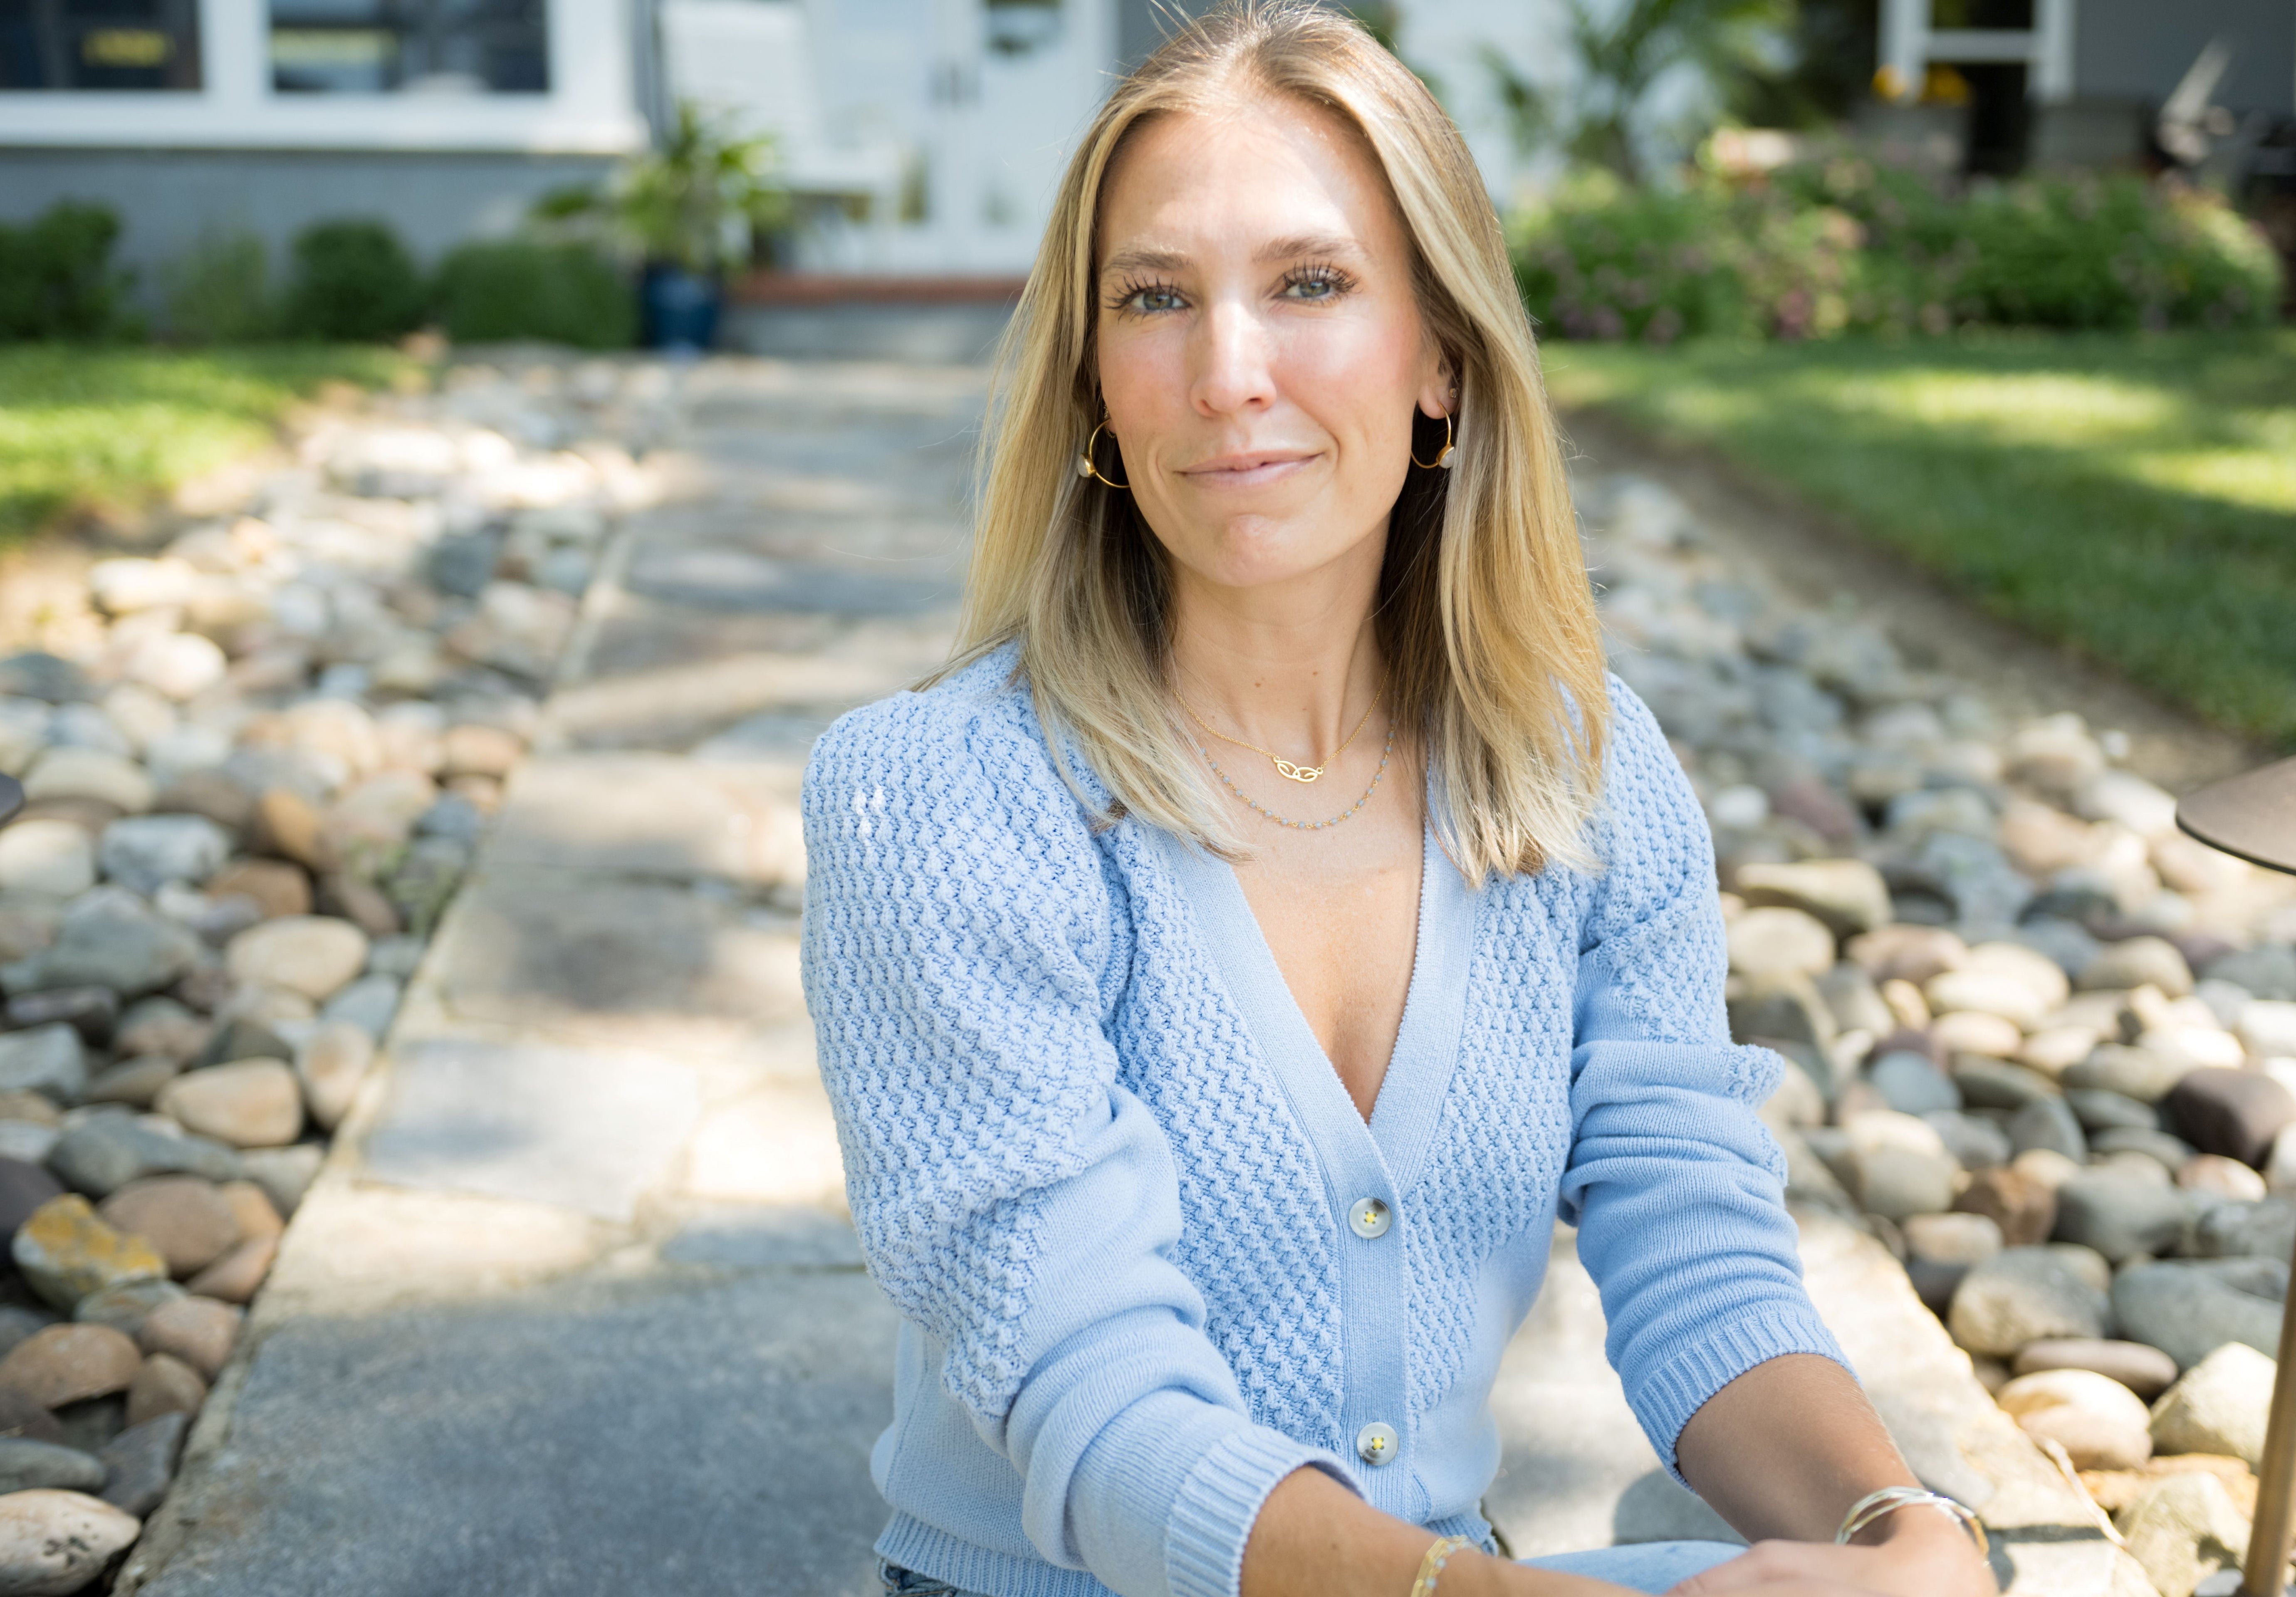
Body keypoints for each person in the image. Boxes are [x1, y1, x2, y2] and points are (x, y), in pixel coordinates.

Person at [798, 5, 2000, 1595]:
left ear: (1441, 355)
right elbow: (1099, 1406)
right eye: (1155, 298)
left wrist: (1898, 1531)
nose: (1229, 375)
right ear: (1093, 381)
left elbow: (1694, 1245)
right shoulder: (943, 799)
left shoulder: (1578, 771)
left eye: (1310, 284)